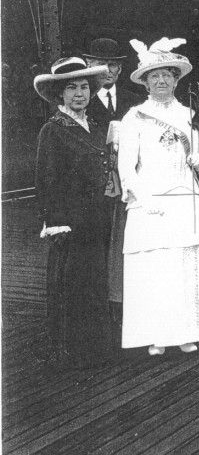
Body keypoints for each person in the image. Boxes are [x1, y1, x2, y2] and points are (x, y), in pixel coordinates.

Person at [118, 37, 199, 356]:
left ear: (176, 79)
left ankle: (188, 331)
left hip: (184, 200)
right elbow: (126, 168)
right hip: (150, 201)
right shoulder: (135, 117)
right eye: (154, 76)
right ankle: (156, 335)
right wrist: (146, 201)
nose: (161, 81)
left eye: (167, 75)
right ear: (146, 82)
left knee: (185, 266)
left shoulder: (191, 115)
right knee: (155, 270)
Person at [33, 57, 114, 367]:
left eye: (84, 87)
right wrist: (56, 222)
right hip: (71, 221)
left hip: (97, 218)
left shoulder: (96, 127)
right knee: (71, 284)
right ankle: (71, 353)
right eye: (72, 88)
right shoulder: (52, 130)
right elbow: (46, 180)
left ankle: (96, 351)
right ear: (60, 95)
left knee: (94, 283)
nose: (79, 94)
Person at [83, 37, 144, 343]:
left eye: (115, 64)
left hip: (126, 186)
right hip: (95, 188)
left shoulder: (135, 99)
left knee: (123, 244)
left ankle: (123, 308)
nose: (109, 70)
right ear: (89, 66)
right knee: (95, 247)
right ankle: (99, 314)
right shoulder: (81, 99)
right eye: (101, 64)